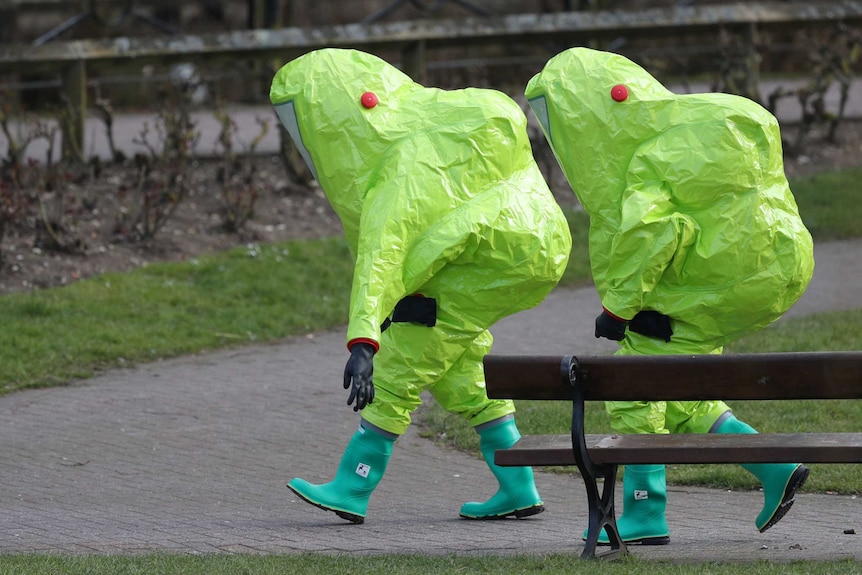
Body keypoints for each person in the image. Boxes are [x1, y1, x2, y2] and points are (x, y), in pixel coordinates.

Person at [524, 47, 815, 545]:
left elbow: (653, 234)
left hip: (699, 292)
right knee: (682, 389)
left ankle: (644, 512)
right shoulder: (685, 136)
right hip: (748, 282)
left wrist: (619, 309)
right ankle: (775, 466)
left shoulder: (647, 157)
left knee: (635, 386)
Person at [269, 48, 572, 524]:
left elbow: (383, 255)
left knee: (402, 357)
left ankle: (353, 485)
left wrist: (365, 341)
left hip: (486, 259)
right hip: (526, 247)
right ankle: (518, 484)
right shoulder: (438, 127)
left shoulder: (404, 164)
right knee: (462, 368)